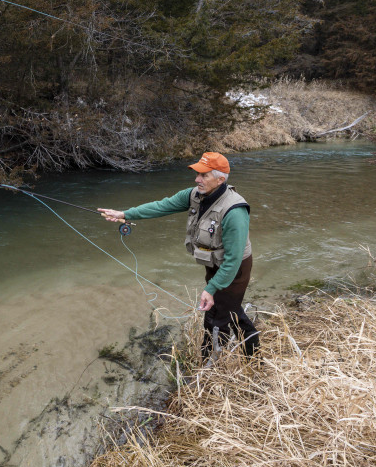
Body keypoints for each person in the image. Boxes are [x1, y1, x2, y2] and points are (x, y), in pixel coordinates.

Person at [98, 152, 259, 361]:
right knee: (231, 310)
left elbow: (233, 259)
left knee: (215, 318)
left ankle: (209, 365)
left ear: (221, 179)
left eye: (204, 175)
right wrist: (125, 214)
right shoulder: (195, 194)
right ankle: (254, 356)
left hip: (235, 268)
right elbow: (161, 206)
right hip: (215, 264)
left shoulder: (234, 211)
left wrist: (210, 289)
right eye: (197, 174)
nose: (197, 179)